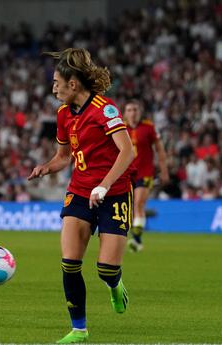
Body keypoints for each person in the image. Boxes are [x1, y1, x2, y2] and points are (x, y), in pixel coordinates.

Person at [28, 48, 134, 344]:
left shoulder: (104, 108)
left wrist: (104, 185)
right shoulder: (63, 114)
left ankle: (115, 285)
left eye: (56, 82)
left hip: (113, 192)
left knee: (106, 268)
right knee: (70, 262)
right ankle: (79, 329)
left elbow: (127, 151)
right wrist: (47, 167)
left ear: (72, 84)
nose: (53, 88)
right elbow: (64, 157)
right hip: (79, 191)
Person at [124, 100, 168, 252]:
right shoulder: (121, 129)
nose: (133, 112)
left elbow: (160, 151)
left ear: (140, 111)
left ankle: (136, 239)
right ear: (125, 113)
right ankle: (137, 238)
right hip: (126, 173)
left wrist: (164, 171)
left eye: (135, 109)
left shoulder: (149, 127)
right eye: (129, 109)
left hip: (144, 172)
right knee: (130, 207)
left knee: (138, 203)